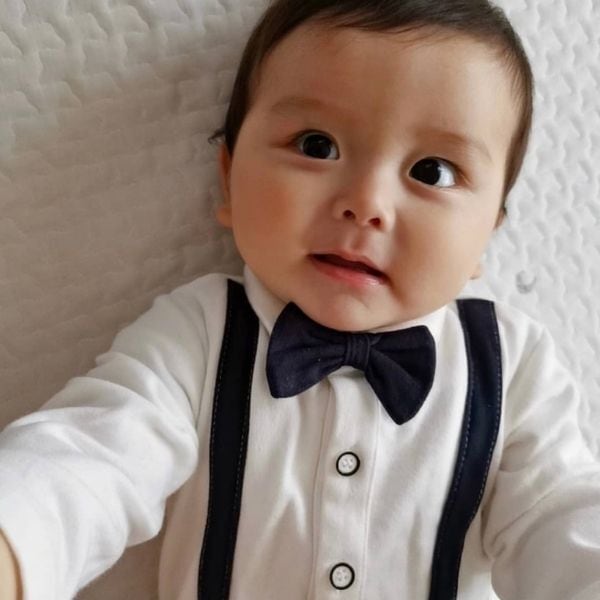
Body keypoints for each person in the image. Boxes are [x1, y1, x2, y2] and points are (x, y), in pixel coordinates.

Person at [1, 0, 599, 598]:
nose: (366, 203)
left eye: (433, 171)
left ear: (486, 234)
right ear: (228, 178)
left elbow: (561, 512)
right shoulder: (201, 334)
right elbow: (90, 455)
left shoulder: (512, 367)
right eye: (316, 145)